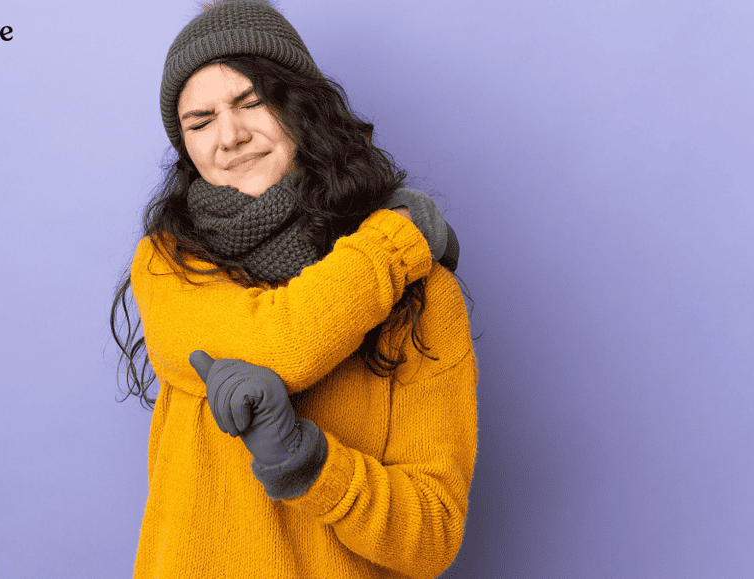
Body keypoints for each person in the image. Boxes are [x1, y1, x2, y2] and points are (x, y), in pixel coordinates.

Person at [109, 1, 478, 577]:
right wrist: (397, 238)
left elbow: (432, 535)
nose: (228, 137)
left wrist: (313, 466)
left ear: (304, 107)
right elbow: (281, 346)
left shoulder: (421, 296)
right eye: (199, 122)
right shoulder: (170, 263)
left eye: (252, 102)